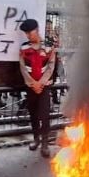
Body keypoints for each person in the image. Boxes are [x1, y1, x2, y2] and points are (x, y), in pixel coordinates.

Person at [19, 19, 55, 158]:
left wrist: (41, 83)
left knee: (45, 116)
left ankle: (45, 144)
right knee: (33, 114)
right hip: (31, 87)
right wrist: (33, 83)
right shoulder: (23, 48)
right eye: (26, 33)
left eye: (30, 32)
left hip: (44, 87)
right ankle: (36, 139)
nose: (28, 35)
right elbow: (22, 68)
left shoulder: (49, 46)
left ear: (37, 30)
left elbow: (51, 66)